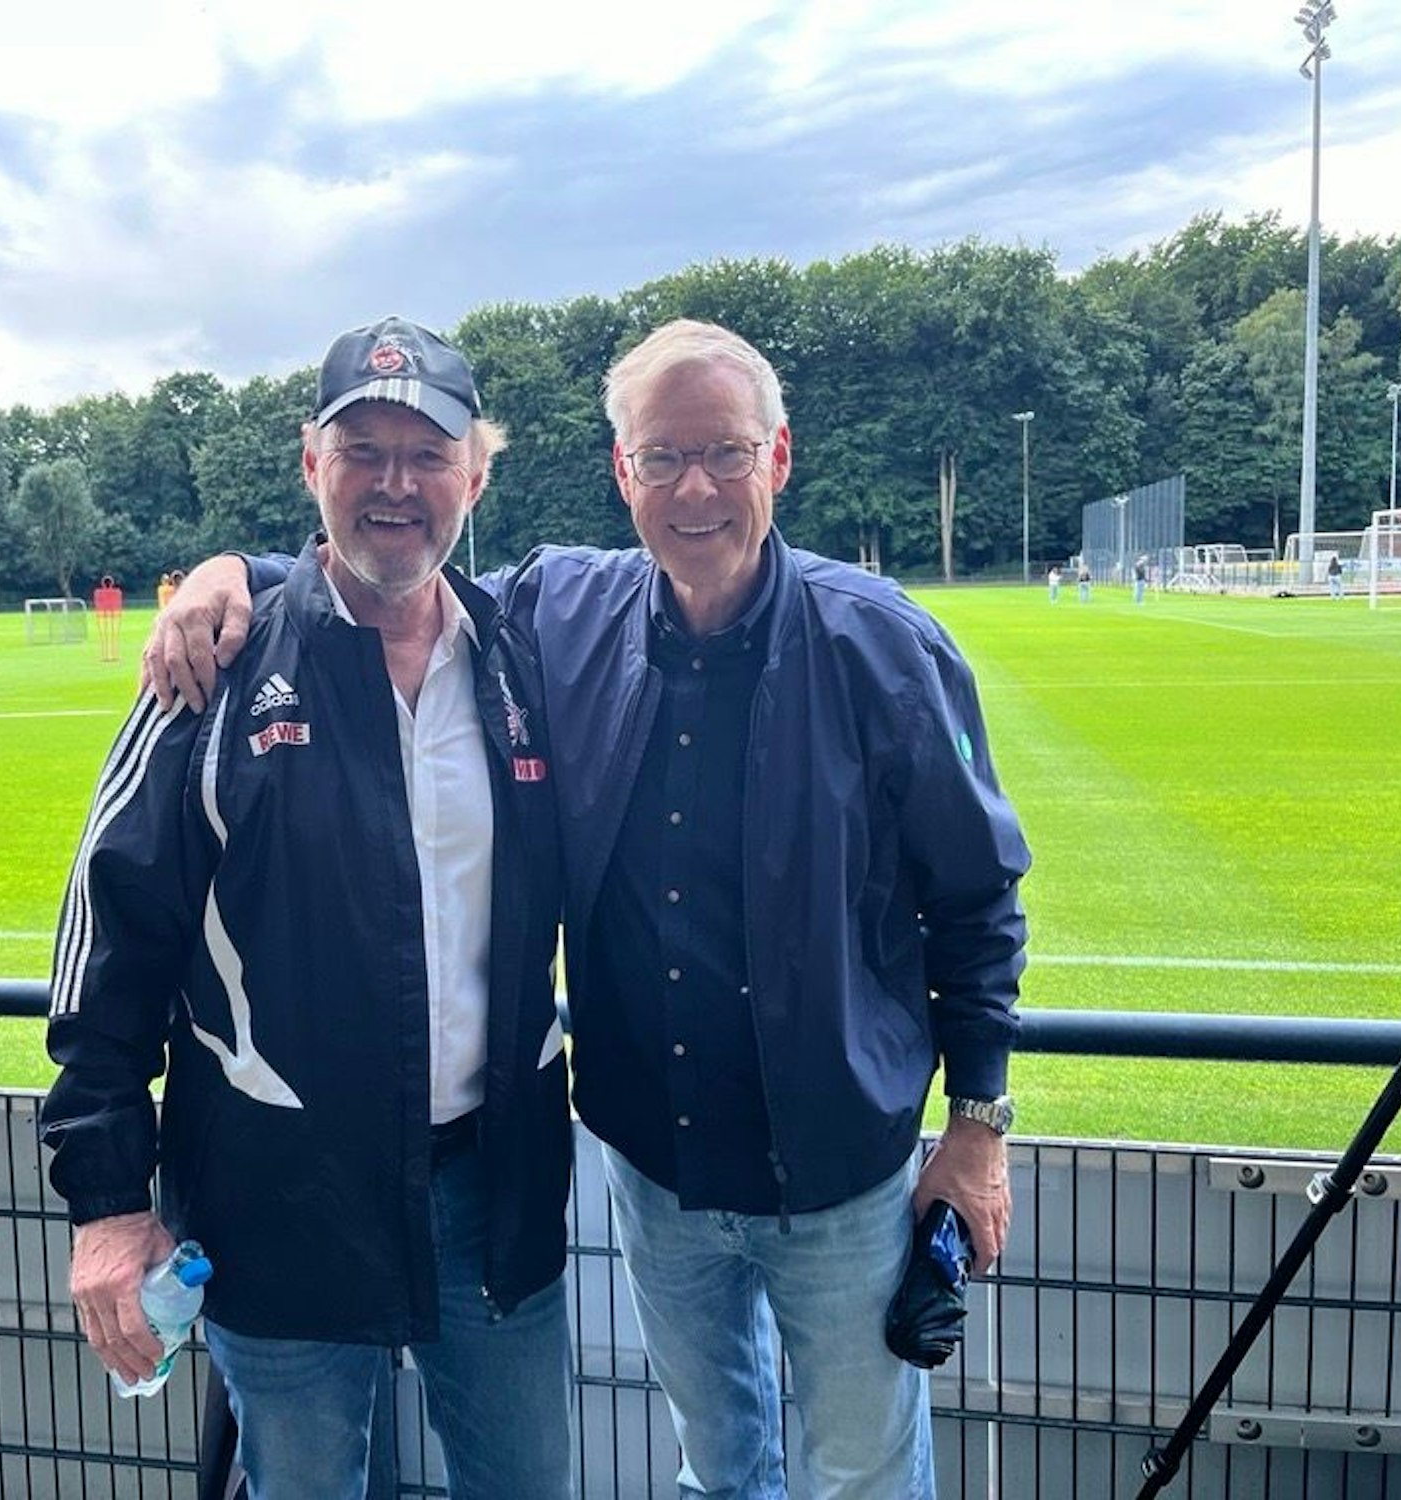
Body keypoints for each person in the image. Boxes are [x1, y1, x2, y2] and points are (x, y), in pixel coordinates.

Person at [147, 319, 1031, 1499]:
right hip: (657, 1170)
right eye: (661, 458)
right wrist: (237, 574)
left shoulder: (882, 646)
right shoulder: (561, 608)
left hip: (836, 1175)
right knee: (719, 1471)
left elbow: (976, 899)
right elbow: (385, 560)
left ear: (776, 458)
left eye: (723, 452)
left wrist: (976, 1128)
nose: (693, 488)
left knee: (861, 1481)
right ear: (623, 473)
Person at [41, 317, 573, 1500]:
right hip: (280, 1199)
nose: (395, 484)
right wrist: (107, 1203)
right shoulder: (214, 671)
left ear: (476, 476)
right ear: (308, 464)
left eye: (426, 455)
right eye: (361, 451)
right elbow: (107, 940)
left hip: (495, 1196)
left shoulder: (525, 656)